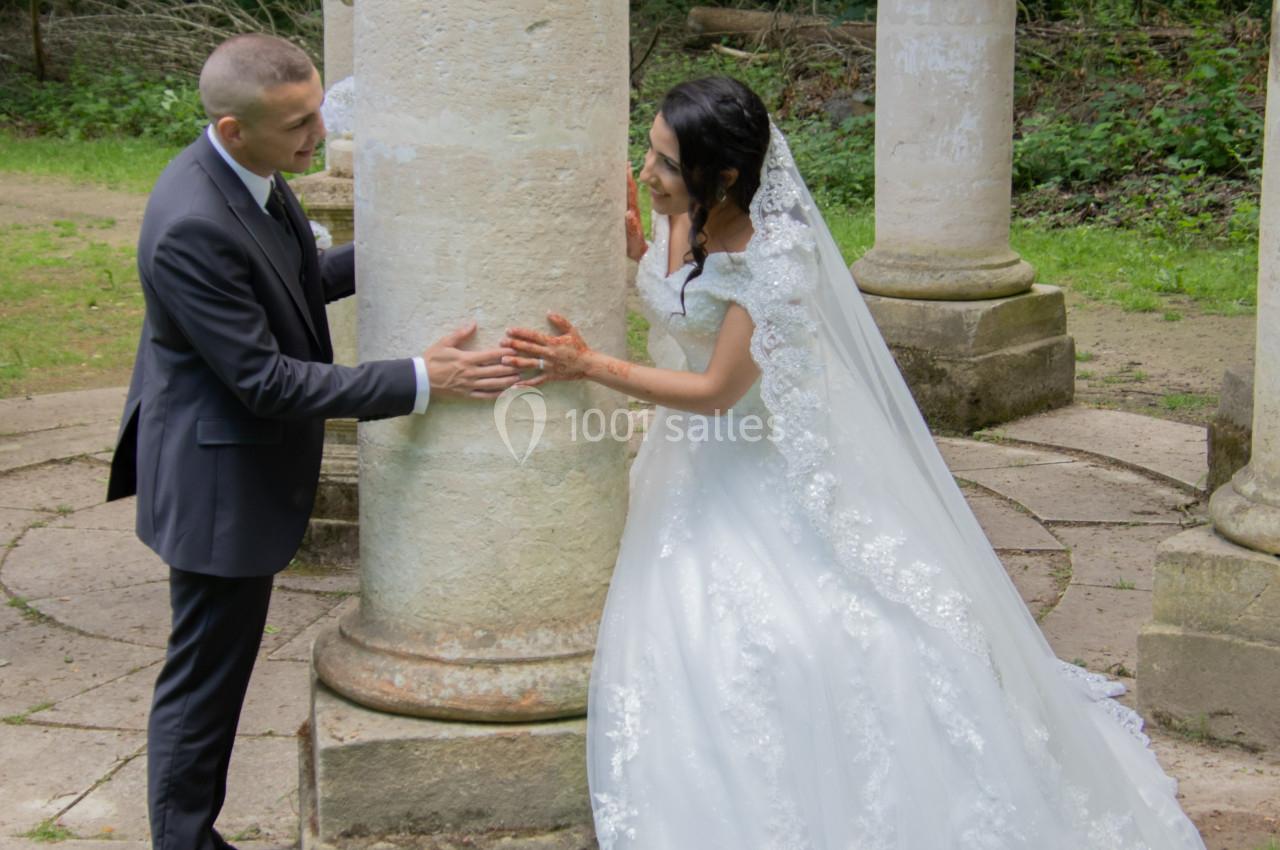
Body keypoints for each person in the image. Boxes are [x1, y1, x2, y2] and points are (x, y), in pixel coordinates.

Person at [503, 77, 1207, 849]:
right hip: (690, 462)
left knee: (809, 632)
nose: (646, 172)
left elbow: (713, 391)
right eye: (650, 150)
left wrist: (590, 365)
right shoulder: (688, 213)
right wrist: (643, 256)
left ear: (725, 177)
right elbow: (676, 301)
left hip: (749, 452)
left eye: (663, 162)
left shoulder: (777, 262)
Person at [105, 34, 520, 850]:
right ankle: (181, 841)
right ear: (231, 129)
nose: (318, 135)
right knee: (204, 682)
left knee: (215, 672)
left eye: (319, 109)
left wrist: (410, 239)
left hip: (233, 460)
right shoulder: (190, 225)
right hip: (215, 481)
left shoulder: (255, 174)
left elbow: (297, 284)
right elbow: (268, 382)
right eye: (298, 123)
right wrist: (420, 379)